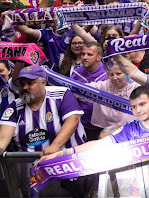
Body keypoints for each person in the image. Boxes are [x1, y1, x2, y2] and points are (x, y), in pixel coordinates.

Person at [0, 65, 88, 197]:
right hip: (34, 169)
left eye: (30, 83)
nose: (25, 88)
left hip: (68, 163)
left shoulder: (61, 94)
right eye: (21, 84)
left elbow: (73, 119)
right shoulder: (14, 107)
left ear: (43, 82)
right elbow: (2, 140)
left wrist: (54, 147)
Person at [70, 42, 107, 140]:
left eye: (90, 54)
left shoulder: (108, 73)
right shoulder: (76, 73)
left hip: (105, 124)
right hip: (82, 123)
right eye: (83, 54)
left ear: (99, 57)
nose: (85, 57)